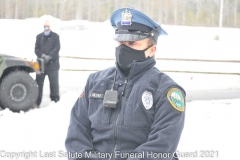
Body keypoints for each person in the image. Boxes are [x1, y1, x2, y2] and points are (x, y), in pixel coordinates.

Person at [65, 8, 186, 160]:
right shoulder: (95, 82)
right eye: (121, 41)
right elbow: (76, 134)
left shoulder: (167, 90)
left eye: (132, 42)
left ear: (152, 49)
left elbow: (162, 146)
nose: (123, 48)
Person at [34, 20, 60, 108]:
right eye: (45, 26)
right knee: (38, 84)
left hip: (53, 65)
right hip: (41, 65)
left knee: (54, 85)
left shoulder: (55, 36)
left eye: (47, 26)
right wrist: (42, 55)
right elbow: (36, 49)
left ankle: (55, 102)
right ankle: (36, 102)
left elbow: (57, 48)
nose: (46, 28)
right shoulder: (39, 37)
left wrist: (49, 56)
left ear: (50, 27)